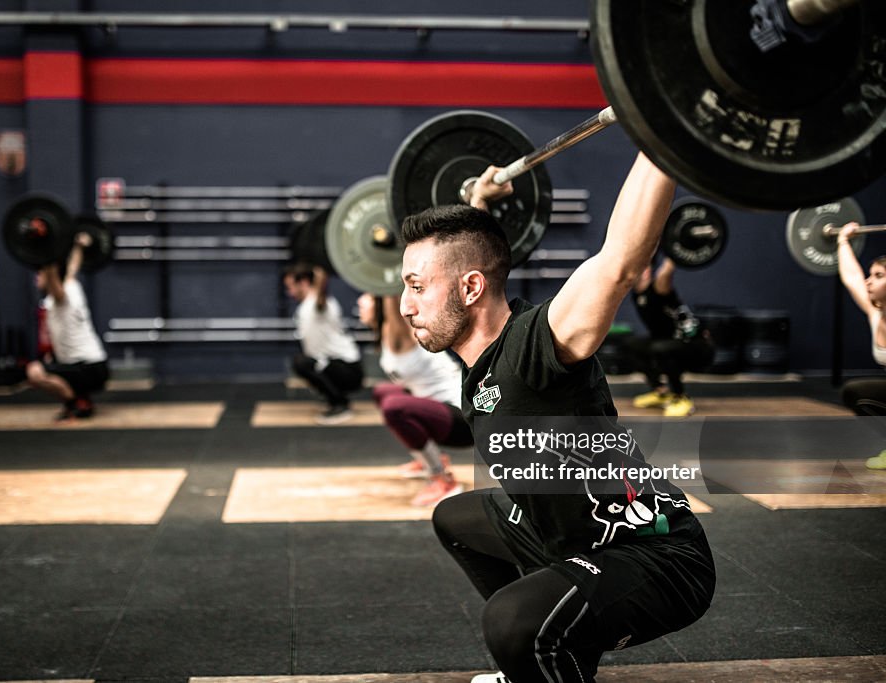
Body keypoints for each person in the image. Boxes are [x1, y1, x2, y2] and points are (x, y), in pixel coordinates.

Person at [399, 153, 715, 683]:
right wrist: (479, 203)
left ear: (471, 289)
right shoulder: (480, 356)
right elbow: (469, 254)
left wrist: (660, 140)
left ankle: (535, 642)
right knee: (456, 520)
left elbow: (618, 263)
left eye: (415, 286)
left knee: (509, 620)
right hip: (571, 538)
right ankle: (550, 654)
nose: (406, 305)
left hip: (654, 557)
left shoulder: (537, 344)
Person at [357, 292, 472, 507]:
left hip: (464, 421)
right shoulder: (386, 332)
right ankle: (426, 459)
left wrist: (387, 287)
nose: (360, 303)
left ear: (382, 303)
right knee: (384, 392)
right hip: (440, 412)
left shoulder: (399, 331)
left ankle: (443, 480)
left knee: (395, 407)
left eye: (368, 298)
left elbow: (388, 288)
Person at [25, 232, 109, 420]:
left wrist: (48, 255)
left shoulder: (61, 298)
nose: (36, 278)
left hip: (87, 368)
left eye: (40, 274)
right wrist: (79, 246)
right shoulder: (72, 287)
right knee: (49, 363)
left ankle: (76, 404)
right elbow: (72, 267)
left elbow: (57, 277)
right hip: (95, 366)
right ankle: (81, 396)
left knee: (35, 372)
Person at [626, 256, 714, 417]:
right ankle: (661, 392)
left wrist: (674, 251)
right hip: (670, 342)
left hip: (698, 345)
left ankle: (680, 397)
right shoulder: (636, 294)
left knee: (661, 349)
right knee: (632, 345)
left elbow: (666, 272)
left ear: (646, 272)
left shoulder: (659, 286)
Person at [283, 263, 364, 425]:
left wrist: (320, 278)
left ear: (304, 283)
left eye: (291, 286)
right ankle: (335, 399)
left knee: (302, 363)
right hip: (335, 366)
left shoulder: (319, 304)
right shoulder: (307, 306)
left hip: (349, 370)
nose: (289, 292)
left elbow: (320, 299)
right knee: (304, 362)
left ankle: (341, 405)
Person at [836, 223, 886, 470]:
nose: (868, 281)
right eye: (871, 274)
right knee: (856, 392)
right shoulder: (876, 314)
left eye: (879, 276)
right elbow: (852, 277)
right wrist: (843, 240)